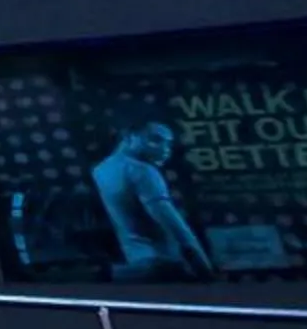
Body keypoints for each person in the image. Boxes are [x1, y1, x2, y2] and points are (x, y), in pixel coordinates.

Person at [92, 120, 215, 280]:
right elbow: (173, 224)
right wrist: (203, 266)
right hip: (163, 263)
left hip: (135, 261)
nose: (165, 149)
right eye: (156, 140)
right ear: (130, 137)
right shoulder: (142, 171)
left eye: (168, 143)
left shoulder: (100, 169)